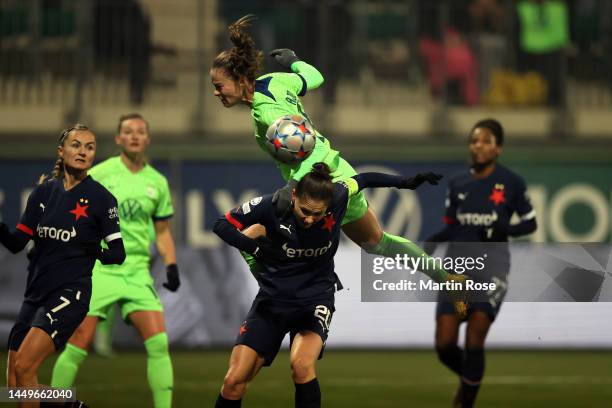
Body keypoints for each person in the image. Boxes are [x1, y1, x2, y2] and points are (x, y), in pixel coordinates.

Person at [209, 14, 463, 286]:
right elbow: (314, 78)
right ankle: (447, 279)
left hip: (318, 182)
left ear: (240, 80)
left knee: (251, 237)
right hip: (330, 172)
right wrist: (295, 62)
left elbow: (314, 150)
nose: (216, 92)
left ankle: (284, 291)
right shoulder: (274, 81)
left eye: (218, 86)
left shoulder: (268, 115)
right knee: (377, 242)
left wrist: (294, 184)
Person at [212, 162, 443, 408]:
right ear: (293, 195)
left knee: (301, 366)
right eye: (305, 211)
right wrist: (255, 247)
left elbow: (363, 179)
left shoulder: (339, 196)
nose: (310, 219)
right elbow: (221, 225)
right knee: (233, 382)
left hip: (314, 300)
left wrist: (406, 182)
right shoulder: (270, 206)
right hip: (271, 302)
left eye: (317, 214)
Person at [51, 113, 179, 408]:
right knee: (78, 342)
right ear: (119, 139)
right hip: (101, 269)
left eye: (140, 131)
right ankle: (52, 404)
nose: (134, 136)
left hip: (136, 271)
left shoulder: (157, 182)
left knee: (159, 343)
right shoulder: (101, 173)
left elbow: (162, 232)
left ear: (147, 139)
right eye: (128, 131)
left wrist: (171, 264)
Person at [0, 124, 125, 407]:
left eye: (90, 147)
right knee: (15, 388)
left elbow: (117, 253)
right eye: (76, 145)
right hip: (35, 295)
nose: (83, 152)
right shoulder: (43, 194)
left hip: (71, 294)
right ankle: (70, 403)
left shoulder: (101, 198)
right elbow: (17, 243)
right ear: (61, 151)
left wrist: (93, 249)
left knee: (24, 368)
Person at [425, 119, 537, 407]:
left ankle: (465, 401)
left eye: (486, 141)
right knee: (445, 343)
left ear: (498, 148)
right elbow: (452, 225)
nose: (479, 146)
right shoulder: (457, 183)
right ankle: (472, 378)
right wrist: (433, 240)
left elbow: (531, 222)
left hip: (492, 268)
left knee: (476, 334)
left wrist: (506, 231)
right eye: (474, 140)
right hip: (457, 269)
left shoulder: (511, 183)